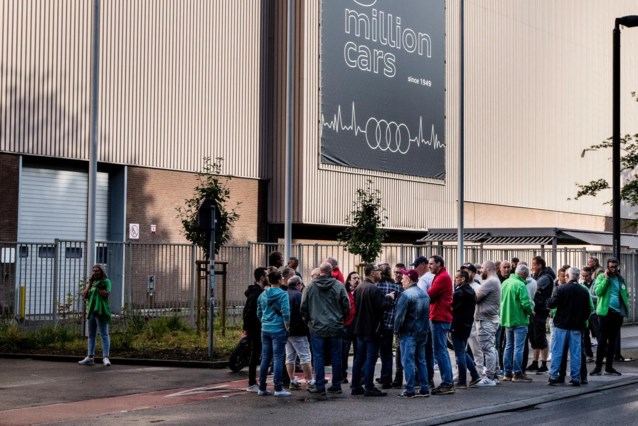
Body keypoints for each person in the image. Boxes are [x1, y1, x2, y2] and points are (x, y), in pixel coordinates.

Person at [301, 262, 350, 395]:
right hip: (335, 326)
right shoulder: (339, 286)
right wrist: (341, 320)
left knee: (318, 357)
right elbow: (347, 306)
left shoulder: (310, 287)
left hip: (317, 327)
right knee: (336, 357)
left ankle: (320, 385)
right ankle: (336, 385)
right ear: (331, 271)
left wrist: (309, 322)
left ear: (320, 271)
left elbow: (303, 308)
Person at [351, 264, 393, 397]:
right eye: (378, 271)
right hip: (372, 328)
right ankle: (369, 386)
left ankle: (356, 385)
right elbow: (381, 307)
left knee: (359, 358)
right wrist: (389, 298)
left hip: (360, 328)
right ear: (373, 273)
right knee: (370, 358)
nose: (380, 273)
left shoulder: (359, 287)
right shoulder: (373, 289)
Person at [548, 267, 592, 386]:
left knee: (557, 351)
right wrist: (582, 320)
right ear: (578, 277)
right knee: (575, 353)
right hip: (577, 326)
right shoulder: (584, 291)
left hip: (561, 325)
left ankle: (553, 375)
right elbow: (588, 310)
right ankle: (576, 377)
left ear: (567, 276)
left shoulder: (561, 289)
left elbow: (552, 304)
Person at [394, 268, 431, 398]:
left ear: (409, 279)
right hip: (422, 332)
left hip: (408, 332)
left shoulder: (405, 295)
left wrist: (396, 331)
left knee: (408, 361)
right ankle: (424, 388)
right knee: (421, 360)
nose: (402, 281)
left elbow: (399, 317)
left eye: (403, 279)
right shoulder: (425, 294)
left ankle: (410, 389)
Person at [591, 257, 629, 376]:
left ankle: (609, 366)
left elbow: (624, 293)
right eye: (610, 267)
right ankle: (598, 366)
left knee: (613, 341)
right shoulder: (601, 277)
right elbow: (598, 292)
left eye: (615, 267)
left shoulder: (620, 279)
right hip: (605, 313)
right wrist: (606, 279)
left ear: (618, 266)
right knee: (602, 340)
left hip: (617, 314)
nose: (613, 269)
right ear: (607, 267)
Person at [257, 270, 291, 397]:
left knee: (265, 358)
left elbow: (258, 311)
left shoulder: (263, 294)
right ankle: (278, 388)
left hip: (265, 329)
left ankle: (262, 387)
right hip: (278, 329)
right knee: (278, 358)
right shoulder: (283, 295)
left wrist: (264, 321)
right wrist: (287, 326)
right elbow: (286, 312)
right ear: (280, 280)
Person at [500, 265, 534, 382]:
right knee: (518, 348)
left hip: (507, 319)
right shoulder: (520, 284)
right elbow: (525, 303)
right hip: (519, 319)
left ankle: (507, 372)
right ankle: (517, 373)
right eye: (527, 274)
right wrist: (531, 312)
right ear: (523, 274)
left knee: (508, 347)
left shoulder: (505, 283)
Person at [427, 255, 455, 395]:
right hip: (440, 317)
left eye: (432, 263)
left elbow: (429, 295)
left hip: (439, 317)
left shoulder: (442, 277)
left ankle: (447, 383)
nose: (429, 266)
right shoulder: (440, 276)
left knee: (440, 351)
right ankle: (448, 382)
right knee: (441, 351)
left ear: (439, 263)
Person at [451, 269, 481, 388]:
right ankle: (474, 375)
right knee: (462, 351)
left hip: (458, 325)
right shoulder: (470, 291)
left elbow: (452, 308)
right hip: (467, 325)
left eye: (457, 277)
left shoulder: (459, 293)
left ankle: (462, 380)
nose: (455, 279)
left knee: (459, 353)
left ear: (463, 279)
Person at [78, 265, 112, 367]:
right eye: (93, 271)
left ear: (101, 271)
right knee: (91, 335)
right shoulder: (93, 283)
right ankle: (90, 357)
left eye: (97, 271)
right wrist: (89, 284)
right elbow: (84, 295)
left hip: (101, 311)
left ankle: (105, 357)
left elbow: (106, 294)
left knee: (104, 334)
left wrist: (99, 288)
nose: (95, 273)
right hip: (92, 311)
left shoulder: (106, 282)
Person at [474, 260, 501, 387]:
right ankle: (494, 374)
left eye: (482, 268)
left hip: (486, 320)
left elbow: (475, 297)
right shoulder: (495, 281)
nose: (480, 270)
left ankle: (490, 377)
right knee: (491, 347)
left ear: (489, 269)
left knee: (487, 348)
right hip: (491, 319)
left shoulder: (490, 282)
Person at [285, 276, 314, 390]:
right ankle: (310, 381)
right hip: (299, 330)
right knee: (305, 356)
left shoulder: (284, 294)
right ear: (298, 284)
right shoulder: (299, 296)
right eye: (301, 285)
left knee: (290, 357)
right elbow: (304, 312)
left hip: (287, 331)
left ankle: (292, 380)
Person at [527, 256, 555, 373]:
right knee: (533, 337)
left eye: (534, 264)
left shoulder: (545, 277)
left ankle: (543, 363)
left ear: (539, 265)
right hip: (536, 309)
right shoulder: (537, 276)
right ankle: (534, 362)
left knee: (540, 336)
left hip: (540, 309)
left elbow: (533, 287)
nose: (532, 267)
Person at [376, 263, 402, 389]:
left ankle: (370, 378)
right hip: (390, 323)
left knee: (374, 352)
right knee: (387, 353)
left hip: (377, 324)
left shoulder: (376, 286)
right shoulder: (396, 287)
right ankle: (387, 379)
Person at [242, 267, 267, 392]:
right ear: (262, 277)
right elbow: (249, 311)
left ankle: (254, 382)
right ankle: (252, 382)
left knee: (256, 353)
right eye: (267, 275)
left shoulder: (256, 292)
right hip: (256, 328)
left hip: (255, 327)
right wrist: (247, 327)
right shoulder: (257, 294)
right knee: (255, 354)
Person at [412, 256, 435, 387]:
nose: (415, 269)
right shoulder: (435, 278)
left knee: (420, 351)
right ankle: (429, 378)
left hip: (423, 319)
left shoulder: (424, 279)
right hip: (432, 317)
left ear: (423, 265)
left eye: (416, 266)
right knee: (429, 351)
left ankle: (420, 379)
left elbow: (418, 299)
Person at [462, 263, 484, 377]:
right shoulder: (459, 286)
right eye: (464, 270)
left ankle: (479, 372)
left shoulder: (477, 287)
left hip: (474, 322)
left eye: (468, 270)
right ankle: (460, 372)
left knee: (476, 349)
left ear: (474, 273)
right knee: (461, 350)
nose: (465, 273)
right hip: (463, 322)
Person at [341, 271, 360, 384]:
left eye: (358, 278)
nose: (356, 280)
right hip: (346, 325)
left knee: (358, 352)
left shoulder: (360, 291)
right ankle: (343, 374)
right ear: (349, 280)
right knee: (344, 352)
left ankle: (357, 376)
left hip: (357, 325)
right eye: (354, 278)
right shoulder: (345, 292)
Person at [392, 263, 406, 387]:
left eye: (399, 273)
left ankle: (399, 376)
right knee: (398, 349)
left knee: (401, 350)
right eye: (395, 272)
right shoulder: (392, 286)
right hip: (393, 320)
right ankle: (398, 375)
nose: (397, 275)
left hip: (403, 322)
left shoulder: (405, 287)